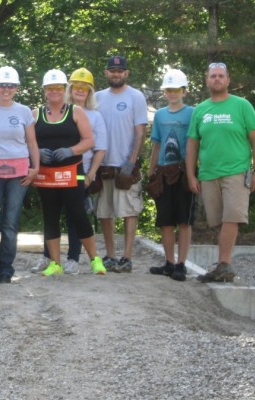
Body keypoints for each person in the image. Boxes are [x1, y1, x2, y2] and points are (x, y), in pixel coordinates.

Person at [186, 62, 255, 283]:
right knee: (218, 221)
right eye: (213, 76)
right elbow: (192, 145)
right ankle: (222, 265)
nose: (217, 79)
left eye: (221, 76)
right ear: (207, 80)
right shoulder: (200, 109)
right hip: (208, 174)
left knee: (232, 217)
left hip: (236, 172)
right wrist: (192, 175)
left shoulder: (242, 106)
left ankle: (224, 264)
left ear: (228, 80)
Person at [31, 67, 108, 274]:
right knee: (50, 216)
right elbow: (25, 143)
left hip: (71, 171)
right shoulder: (35, 114)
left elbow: (89, 141)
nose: (54, 91)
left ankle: (95, 260)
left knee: (78, 214)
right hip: (46, 175)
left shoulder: (76, 112)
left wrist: (70, 150)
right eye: (50, 88)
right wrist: (37, 152)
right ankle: (55, 264)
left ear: (64, 89)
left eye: (58, 87)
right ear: (45, 90)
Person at [0, 66, 39, 283]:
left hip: (18, 174)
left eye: (11, 85)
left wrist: (35, 168)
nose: (6, 89)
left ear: (16, 88)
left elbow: (31, 142)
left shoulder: (24, 111)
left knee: (10, 224)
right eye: (2, 85)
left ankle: (5, 269)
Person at [94, 55, 147, 273]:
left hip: (125, 163)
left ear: (126, 73)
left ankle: (126, 257)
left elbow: (140, 131)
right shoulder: (96, 97)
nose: (116, 74)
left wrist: (131, 163)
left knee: (128, 212)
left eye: (120, 70)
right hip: (103, 164)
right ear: (106, 73)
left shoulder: (136, 96)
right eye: (112, 70)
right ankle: (109, 255)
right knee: (105, 212)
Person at [146, 69, 195, 282]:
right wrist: (150, 170)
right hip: (164, 171)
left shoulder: (192, 113)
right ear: (165, 93)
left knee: (184, 220)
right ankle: (169, 262)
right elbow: (156, 144)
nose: (173, 94)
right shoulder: (159, 115)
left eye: (176, 90)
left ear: (184, 91)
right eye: (169, 90)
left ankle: (181, 264)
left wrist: (193, 171)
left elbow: (196, 142)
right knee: (165, 220)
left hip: (184, 171)